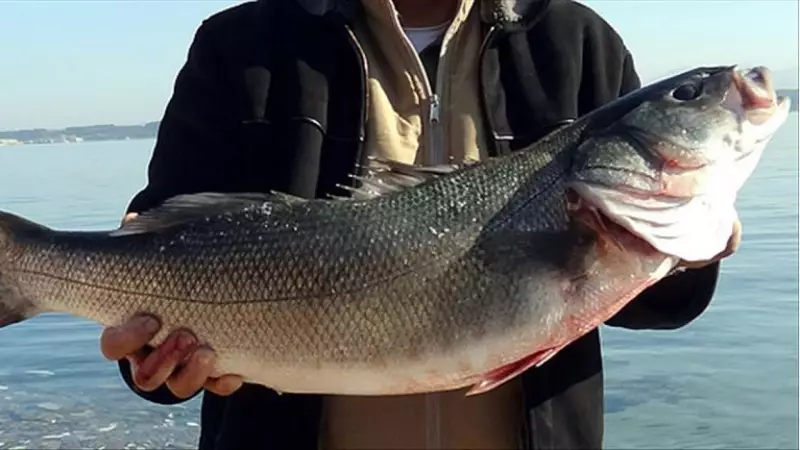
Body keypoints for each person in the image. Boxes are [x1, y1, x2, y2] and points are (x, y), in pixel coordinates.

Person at [99, 0, 741, 448]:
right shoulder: (240, 47)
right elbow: (160, 253)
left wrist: (688, 250)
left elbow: (657, 307)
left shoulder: (575, 43)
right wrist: (156, 366)